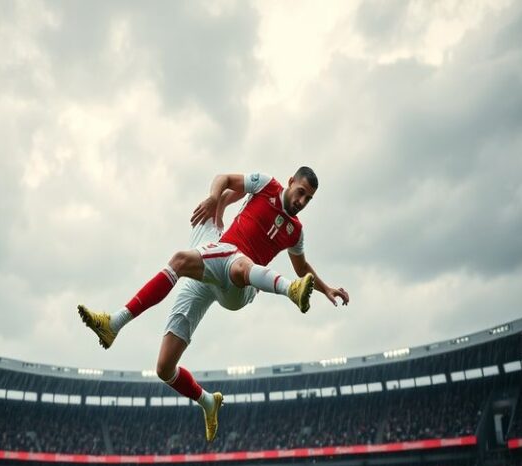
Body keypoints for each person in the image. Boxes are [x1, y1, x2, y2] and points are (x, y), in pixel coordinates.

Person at [78, 167, 349, 442]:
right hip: (210, 269)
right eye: (301, 193)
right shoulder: (266, 185)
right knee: (164, 368)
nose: (302, 202)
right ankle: (207, 401)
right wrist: (213, 200)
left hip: (238, 288)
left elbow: (301, 265)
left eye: (309, 199)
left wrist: (325, 288)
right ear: (291, 182)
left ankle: (114, 323)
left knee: (204, 260)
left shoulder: (295, 233)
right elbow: (225, 181)